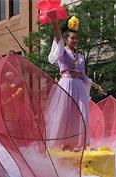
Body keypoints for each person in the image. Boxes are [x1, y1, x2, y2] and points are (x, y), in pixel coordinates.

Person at [47, 13, 105, 147]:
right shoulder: (62, 51)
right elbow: (57, 37)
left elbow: (83, 76)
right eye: (72, 38)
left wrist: (97, 86)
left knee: (81, 115)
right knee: (64, 114)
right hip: (66, 85)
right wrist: (55, 22)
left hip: (79, 86)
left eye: (76, 38)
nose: (75, 40)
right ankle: (59, 145)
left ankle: (80, 145)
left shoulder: (80, 56)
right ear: (66, 39)